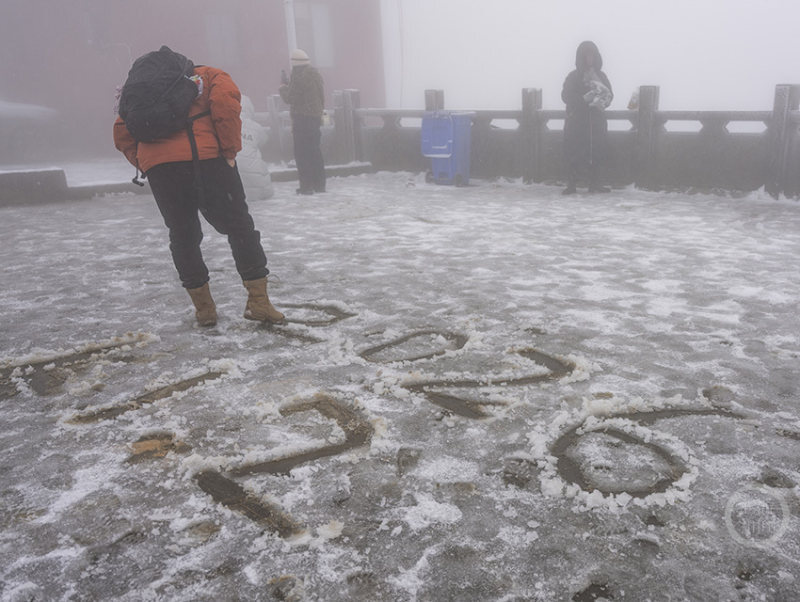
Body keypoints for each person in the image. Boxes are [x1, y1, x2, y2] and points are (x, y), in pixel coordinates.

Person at [113, 47, 284, 327]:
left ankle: (204, 310)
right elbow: (227, 108)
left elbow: (122, 131)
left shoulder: (141, 90)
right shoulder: (210, 75)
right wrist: (229, 151)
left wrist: (149, 163)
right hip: (208, 162)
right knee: (240, 228)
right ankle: (259, 302)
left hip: (162, 170)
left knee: (183, 235)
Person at [561, 40, 613, 194]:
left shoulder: (601, 76)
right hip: (577, 121)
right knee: (573, 152)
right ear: (580, 57)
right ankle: (571, 184)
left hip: (596, 122)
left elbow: (610, 95)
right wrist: (584, 99)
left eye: (592, 55)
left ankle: (595, 183)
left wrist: (601, 99)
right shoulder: (573, 77)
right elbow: (565, 96)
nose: (589, 59)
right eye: (586, 56)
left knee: (597, 152)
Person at [279, 49, 326, 195]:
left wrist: (283, 88)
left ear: (294, 64)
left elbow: (291, 98)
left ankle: (306, 187)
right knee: (315, 152)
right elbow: (320, 97)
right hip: (315, 119)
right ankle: (320, 185)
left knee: (302, 154)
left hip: (302, 120)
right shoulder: (315, 75)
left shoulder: (298, 76)